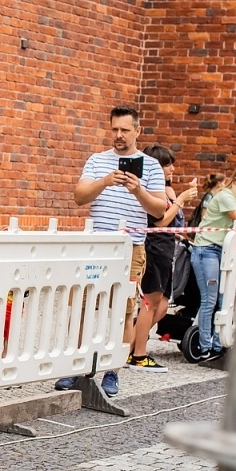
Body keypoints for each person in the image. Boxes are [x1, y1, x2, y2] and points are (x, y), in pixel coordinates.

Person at [53, 105, 169, 396]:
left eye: (125, 130)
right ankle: (75, 367)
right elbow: (79, 197)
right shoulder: (97, 160)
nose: (118, 135)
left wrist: (138, 190)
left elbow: (159, 209)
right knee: (81, 306)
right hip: (96, 246)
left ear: (137, 131)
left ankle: (112, 370)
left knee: (123, 310)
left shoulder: (151, 166)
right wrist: (104, 181)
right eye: (114, 129)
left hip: (130, 248)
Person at [127, 144, 198, 371]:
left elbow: (171, 224)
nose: (172, 169)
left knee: (162, 305)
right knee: (150, 302)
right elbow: (160, 221)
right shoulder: (153, 192)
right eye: (167, 165)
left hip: (167, 248)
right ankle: (138, 353)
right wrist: (181, 201)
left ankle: (130, 343)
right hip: (155, 247)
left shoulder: (167, 190)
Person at [191, 164, 236, 360]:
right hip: (206, 249)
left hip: (224, 251)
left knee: (226, 299)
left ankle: (219, 343)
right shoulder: (226, 196)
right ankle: (205, 347)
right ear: (235, 179)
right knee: (210, 299)